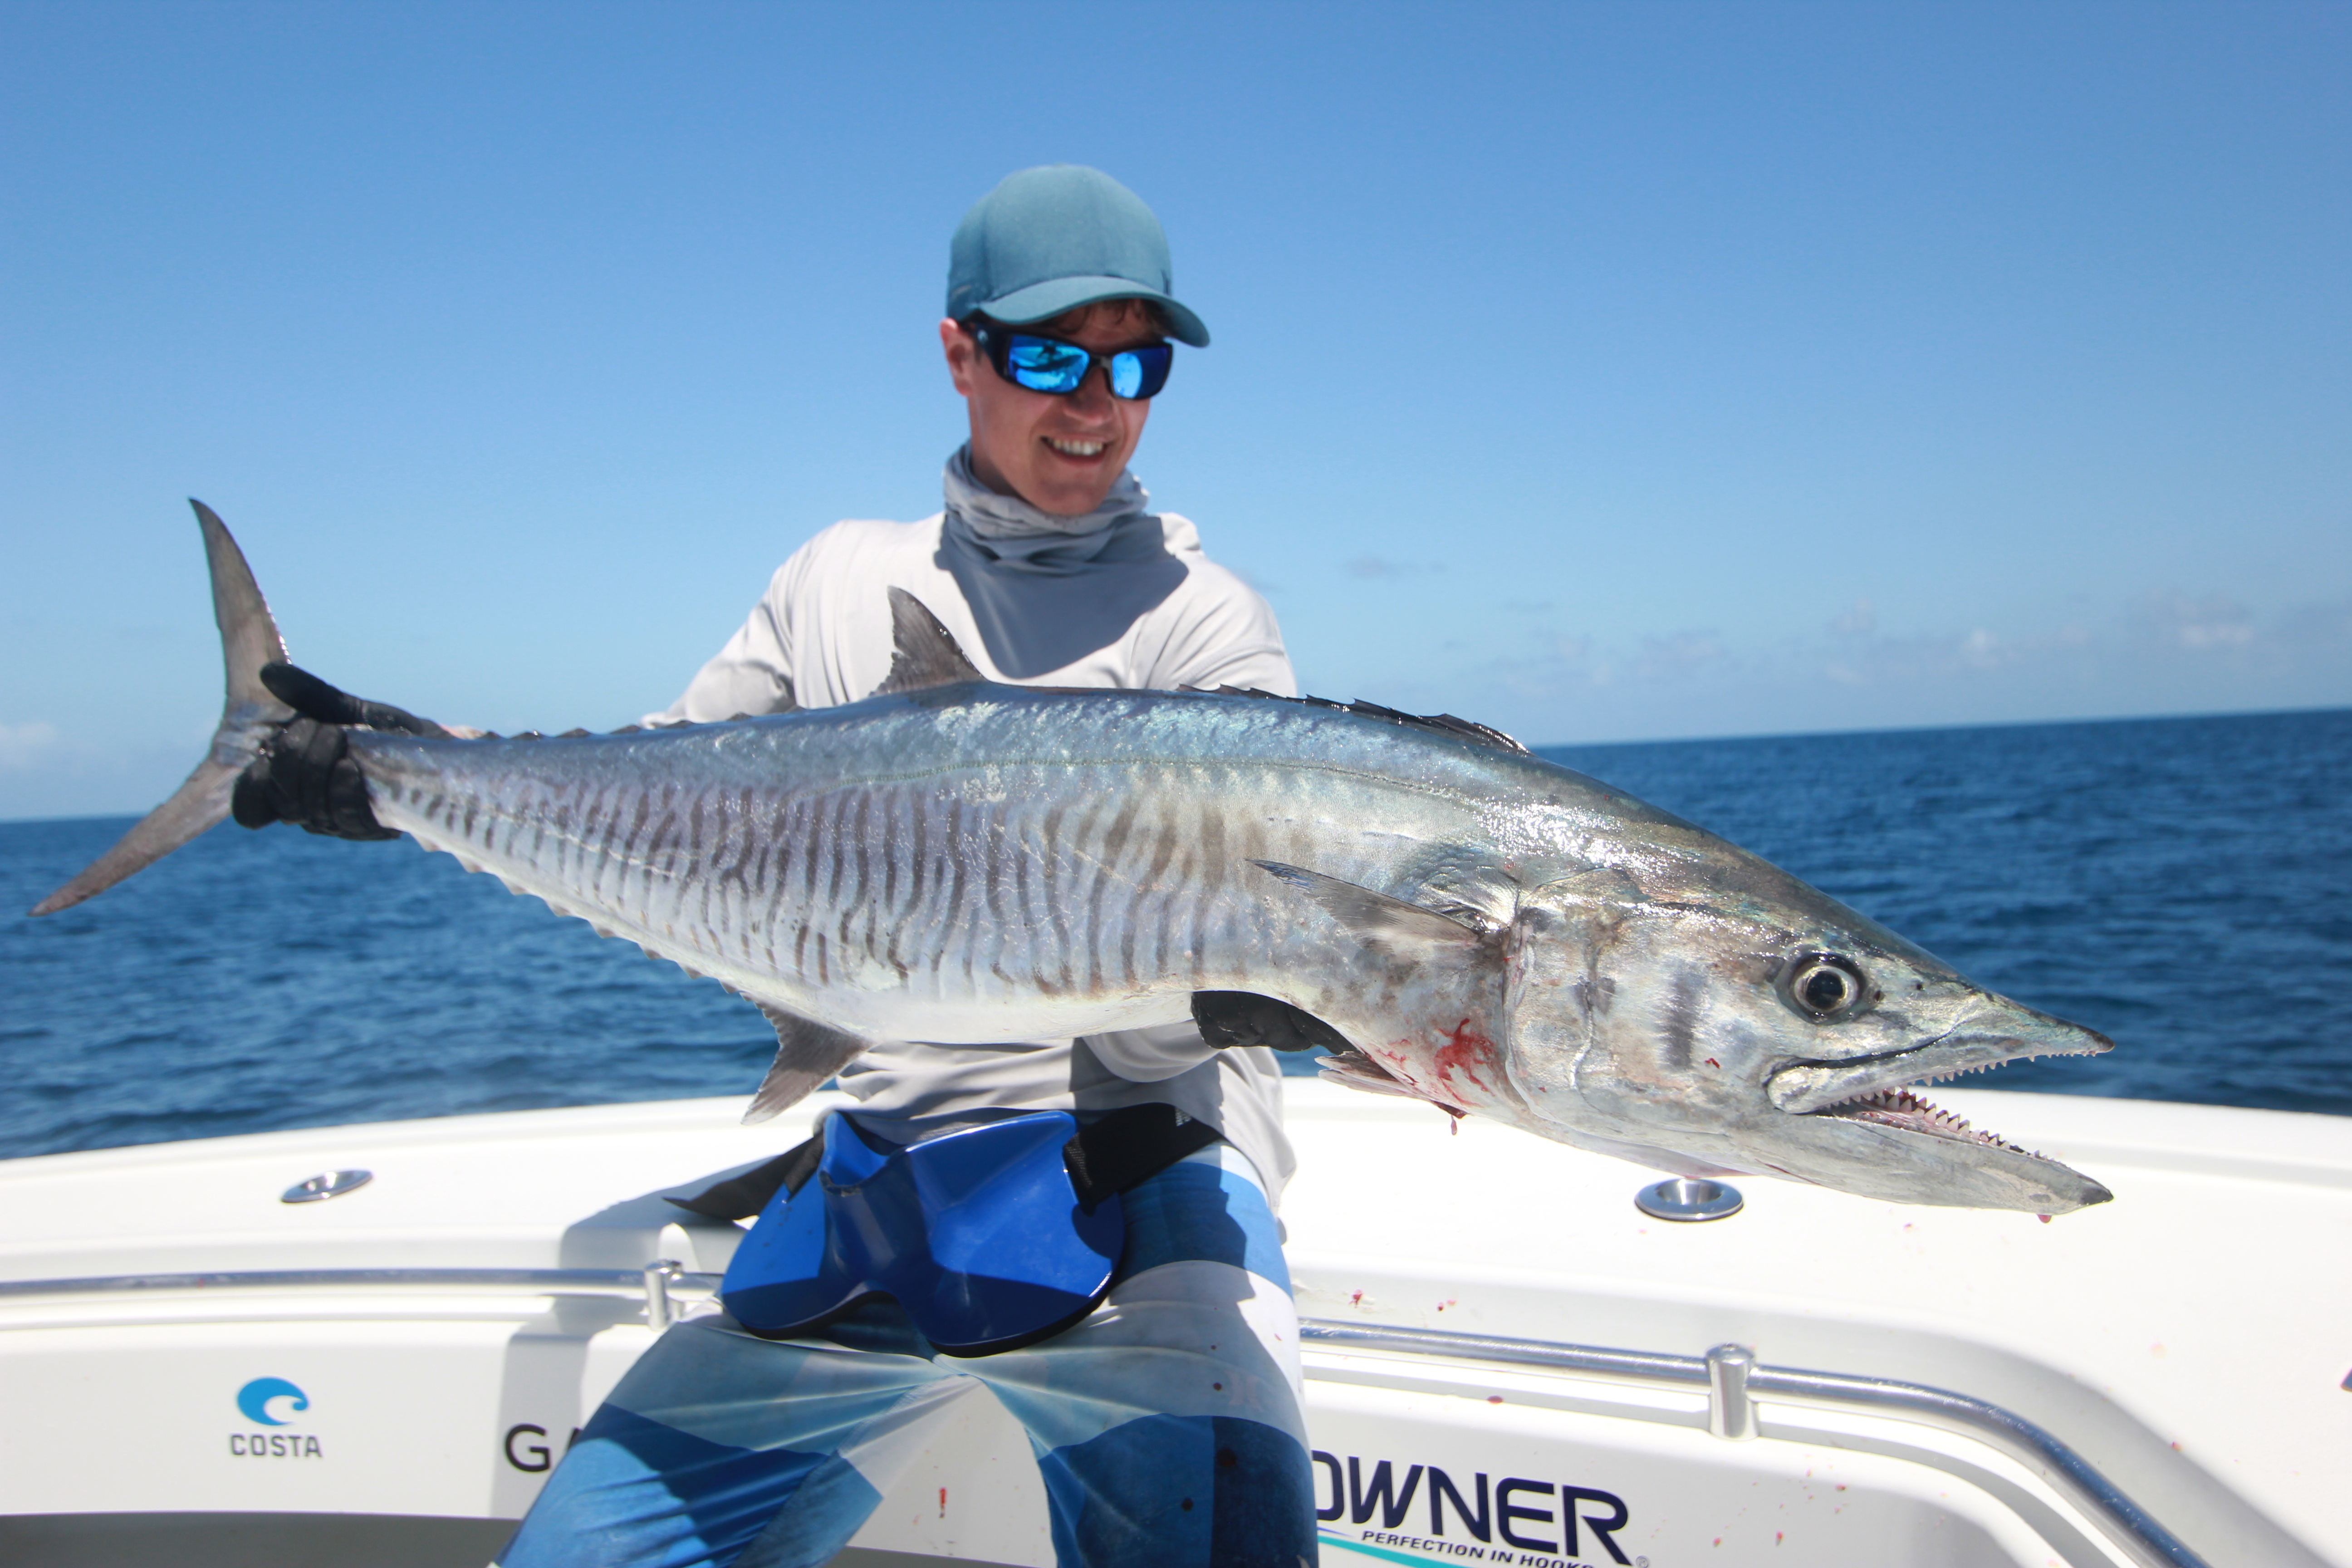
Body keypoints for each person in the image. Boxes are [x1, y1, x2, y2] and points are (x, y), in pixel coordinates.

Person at [478, 166, 1321, 1566]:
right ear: (958, 353)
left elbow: (1241, 944)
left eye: (1136, 361)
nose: (1096, 401)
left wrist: (1261, 982)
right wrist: (397, 769)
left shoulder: (1204, 627)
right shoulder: (837, 578)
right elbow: (646, 784)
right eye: (1051, 353)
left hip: (1147, 1167)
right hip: (879, 1177)